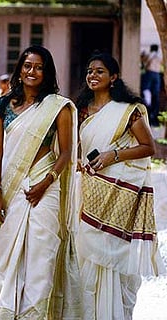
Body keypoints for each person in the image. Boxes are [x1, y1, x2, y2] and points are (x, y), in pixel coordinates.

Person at [0, 45, 80, 319]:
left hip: (47, 184)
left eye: (39, 67)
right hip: (12, 186)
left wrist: (47, 181)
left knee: (41, 255)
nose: (32, 71)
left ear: (47, 72)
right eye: (28, 65)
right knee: (8, 257)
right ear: (20, 69)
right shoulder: (1, 106)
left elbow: (66, 152)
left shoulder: (58, 107)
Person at [75, 52, 165, 319]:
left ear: (113, 77)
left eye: (100, 71)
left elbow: (148, 147)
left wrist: (112, 156)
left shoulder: (129, 110)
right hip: (90, 189)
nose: (92, 75)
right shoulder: (82, 109)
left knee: (113, 254)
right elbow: (79, 149)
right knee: (86, 252)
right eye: (90, 71)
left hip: (119, 192)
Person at [141, 44, 163, 126]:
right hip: (157, 74)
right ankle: (154, 114)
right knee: (155, 94)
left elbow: (143, 60)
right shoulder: (159, 56)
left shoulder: (149, 55)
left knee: (146, 91)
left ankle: (149, 109)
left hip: (149, 73)